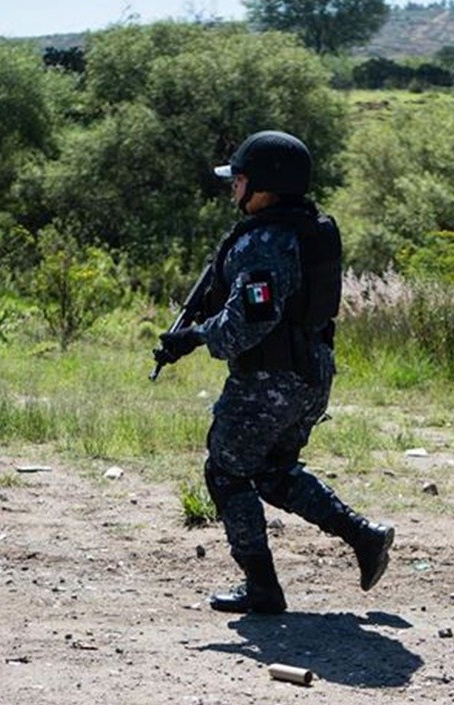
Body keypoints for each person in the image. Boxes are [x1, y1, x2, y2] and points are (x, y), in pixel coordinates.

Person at [153, 130, 394, 614]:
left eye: (238, 179)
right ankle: (364, 537)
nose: (232, 189)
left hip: (270, 382)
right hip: (310, 376)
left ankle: (262, 588)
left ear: (262, 185)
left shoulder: (263, 242)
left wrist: (197, 338)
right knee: (271, 473)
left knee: (225, 472)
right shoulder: (302, 229)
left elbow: (251, 320)